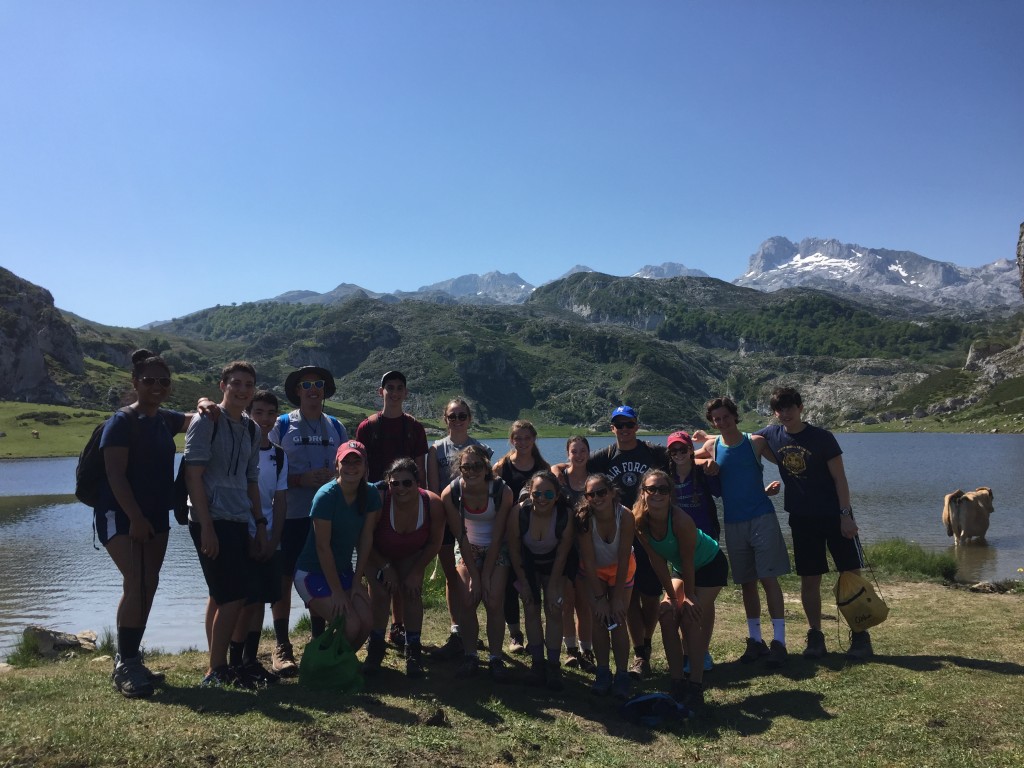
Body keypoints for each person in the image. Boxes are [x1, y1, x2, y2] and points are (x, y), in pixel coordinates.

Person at [95, 349, 194, 698]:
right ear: (135, 382)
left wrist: (207, 404)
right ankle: (125, 665)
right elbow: (114, 474)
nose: (157, 386)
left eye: (163, 382)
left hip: (156, 516)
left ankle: (132, 657)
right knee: (137, 581)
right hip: (120, 515)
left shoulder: (162, 419)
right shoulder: (121, 422)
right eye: (149, 380)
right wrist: (135, 517)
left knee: (147, 584)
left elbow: (191, 419)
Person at [755, 387, 871, 661]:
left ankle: (860, 635)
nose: (785, 413)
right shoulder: (772, 434)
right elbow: (740, 438)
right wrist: (704, 438)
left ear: (800, 408)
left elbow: (840, 479)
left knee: (851, 576)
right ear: (775, 412)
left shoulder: (822, 438)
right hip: (802, 519)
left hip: (834, 516)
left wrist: (846, 515)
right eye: (779, 409)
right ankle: (815, 636)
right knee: (810, 579)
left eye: (789, 407)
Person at [184, 361, 269, 688]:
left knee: (223, 595)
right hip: (210, 519)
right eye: (236, 383)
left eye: (248, 384)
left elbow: (251, 479)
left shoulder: (251, 429)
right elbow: (194, 475)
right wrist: (206, 526)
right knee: (233, 596)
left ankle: (218, 665)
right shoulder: (206, 422)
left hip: (238, 519)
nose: (243, 390)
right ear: (223, 386)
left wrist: (259, 523)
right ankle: (216, 670)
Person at [694, 396, 789, 668]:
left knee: (768, 578)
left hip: (762, 518)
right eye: (716, 419)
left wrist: (774, 489)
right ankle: (755, 640)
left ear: (734, 416)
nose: (722, 422)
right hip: (733, 523)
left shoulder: (755, 442)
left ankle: (779, 642)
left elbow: (786, 462)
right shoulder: (712, 446)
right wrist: (705, 464)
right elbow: (683, 458)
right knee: (747, 582)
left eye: (725, 417)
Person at [267, 365, 349, 674]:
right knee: (284, 579)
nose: (313, 389)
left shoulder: (336, 426)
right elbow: (266, 465)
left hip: (324, 517)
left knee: (320, 575)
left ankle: (317, 638)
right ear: (298, 391)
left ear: (325, 391)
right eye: (306, 385)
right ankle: (281, 645)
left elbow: (349, 467)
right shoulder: (283, 424)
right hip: (290, 514)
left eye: (318, 384)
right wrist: (300, 479)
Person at [633, 468, 728, 714]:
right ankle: (676, 681)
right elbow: (657, 562)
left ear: (670, 494)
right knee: (666, 615)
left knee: (688, 616)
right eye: (650, 489)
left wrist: (690, 597)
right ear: (643, 493)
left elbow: (688, 561)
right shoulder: (638, 520)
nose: (656, 494)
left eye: (662, 489)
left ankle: (695, 685)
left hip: (709, 565)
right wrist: (671, 597)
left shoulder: (681, 521)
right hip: (681, 570)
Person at [587, 405, 670, 681]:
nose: (624, 430)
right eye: (618, 425)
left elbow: (684, 458)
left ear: (636, 425)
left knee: (651, 596)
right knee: (630, 598)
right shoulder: (604, 457)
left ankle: (645, 641)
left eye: (629, 424)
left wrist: (707, 454)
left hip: (648, 533)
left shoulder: (653, 452)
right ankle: (640, 653)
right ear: (612, 428)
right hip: (622, 532)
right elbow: (577, 467)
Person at [355, 370, 429, 650]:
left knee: (405, 563)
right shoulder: (367, 427)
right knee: (379, 573)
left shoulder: (415, 427)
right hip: (377, 506)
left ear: (406, 393)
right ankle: (377, 632)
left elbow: (420, 469)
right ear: (381, 391)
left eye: (400, 388)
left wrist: (426, 504)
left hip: (409, 503)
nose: (395, 392)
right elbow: (360, 468)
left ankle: (399, 628)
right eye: (390, 387)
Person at [225, 390, 289, 685]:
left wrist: (274, 539)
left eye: (270, 413)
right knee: (243, 601)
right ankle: (234, 663)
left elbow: (280, 500)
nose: (265, 419)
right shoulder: (239, 449)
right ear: (249, 413)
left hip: (267, 537)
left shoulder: (278, 454)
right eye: (259, 412)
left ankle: (251, 661)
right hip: (242, 532)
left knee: (261, 600)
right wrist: (255, 533)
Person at [292, 440, 377, 652]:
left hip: (343, 572)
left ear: (365, 466)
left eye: (356, 461)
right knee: (351, 626)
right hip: (312, 573)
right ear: (336, 465)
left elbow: (366, 538)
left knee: (366, 623)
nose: (351, 467)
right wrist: (338, 592)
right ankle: (325, 664)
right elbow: (323, 547)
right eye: (345, 461)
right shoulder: (325, 496)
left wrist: (357, 581)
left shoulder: (371, 494)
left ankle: (340, 663)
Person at [426, 397, 494, 662]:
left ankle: (473, 629)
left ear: (469, 418)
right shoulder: (436, 449)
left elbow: (490, 486)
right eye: (452, 416)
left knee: (477, 575)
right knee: (453, 577)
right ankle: (457, 631)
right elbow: (433, 488)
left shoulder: (482, 449)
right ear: (445, 419)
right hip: (446, 520)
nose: (457, 420)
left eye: (461, 415)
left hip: (477, 522)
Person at [364, 458, 445, 677]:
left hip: (411, 554)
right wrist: (386, 566)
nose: (400, 488)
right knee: (380, 593)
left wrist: (418, 571)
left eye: (407, 483)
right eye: (395, 483)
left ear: (417, 483)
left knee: (412, 591)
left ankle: (413, 651)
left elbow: (434, 543)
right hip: (377, 553)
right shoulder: (379, 499)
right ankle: (376, 647)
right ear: (388, 484)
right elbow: (364, 539)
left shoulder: (432, 503)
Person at [441, 444, 515, 681]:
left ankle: (495, 658)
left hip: (496, 545)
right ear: (459, 469)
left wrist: (485, 576)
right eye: (466, 467)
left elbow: (498, 536)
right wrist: (474, 575)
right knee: (467, 598)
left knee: (493, 600)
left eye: (476, 466)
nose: (471, 471)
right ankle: (470, 655)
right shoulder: (450, 494)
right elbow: (460, 536)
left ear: (486, 467)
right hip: (467, 545)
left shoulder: (503, 491)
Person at [507, 470, 577, 690]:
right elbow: (515, 550)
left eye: (548, 494)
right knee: (530, 607)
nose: (542, 499)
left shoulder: (565, 515)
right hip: (527, 563)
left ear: (557, 495)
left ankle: (553, 666)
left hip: (556, 564)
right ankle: (537, 663)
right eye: (537, 494)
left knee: (554, 610)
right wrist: (525, 585)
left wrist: (555, 587)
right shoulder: (519, 513)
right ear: (529, 494)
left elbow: (563, 554)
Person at [667, 430, 724, 675]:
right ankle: (688, 651)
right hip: (679, 547)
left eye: (683, 449)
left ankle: (703, 651)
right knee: (680, 602)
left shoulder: (703, 473)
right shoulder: (666, 478)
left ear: (691, 449)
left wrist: (708, 463)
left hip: (706, 545)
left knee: (702, 603)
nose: (679, 454)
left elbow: (722, 489)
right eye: (674, 450)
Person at [492, 419, 550, 654]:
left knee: (533, 585)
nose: (523, 442)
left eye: (527, 438)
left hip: (535, 537)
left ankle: (537, 633)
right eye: (518, 438)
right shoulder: (501, 467)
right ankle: (515, 634)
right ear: (511, 440)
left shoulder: (543, 467)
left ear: (534, 439)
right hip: (507, 535)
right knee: (508, 586)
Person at [576, 473, 636, 700]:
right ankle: (603, 671)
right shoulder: (584, 518)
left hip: (622, 568)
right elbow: (589, 561)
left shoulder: (626, 516)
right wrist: (600, 599)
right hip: (594, 572)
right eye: (591, 494)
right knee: (600, 619)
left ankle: (622, 674)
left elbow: (623, 557)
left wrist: (617, 597)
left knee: (618, 619)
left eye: (601, 492)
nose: (597, 498)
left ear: (611, 492)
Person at [549, 436, 596, 672]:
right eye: (574, 451)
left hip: (588, 549)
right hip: (565, 548)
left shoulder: (594, 480)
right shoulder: (560, 477)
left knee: (584, 603)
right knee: (566, 601)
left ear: (589, 452)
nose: (578, 455)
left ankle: (586, 649)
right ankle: (570, 649)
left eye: (582, 450)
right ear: (567, 453)